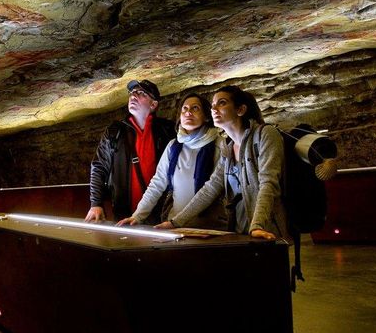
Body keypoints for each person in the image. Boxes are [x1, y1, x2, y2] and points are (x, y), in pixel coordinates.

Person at [160, 86, 290, 241]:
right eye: (213, 105)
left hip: (266, 230)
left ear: (240, 109)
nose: (213, 108)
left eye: (221, 103)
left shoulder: (265, 135)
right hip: (239, 230)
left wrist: (257, 226)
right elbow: (211, 188)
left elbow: (268, 184)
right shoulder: (228, 148)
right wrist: (175, 222)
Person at [117, 93, 223, 229]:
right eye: (184, 109)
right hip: (173, 225)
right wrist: (137, 216)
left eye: (195, 108)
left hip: (207, 227)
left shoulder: (218, 145)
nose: (188, 112)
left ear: (207, 116)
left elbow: (211, 189)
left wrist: (176, 222)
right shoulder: (173, 146)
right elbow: (158, 183)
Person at [85, 79, 177, 223]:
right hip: (124, 212)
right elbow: (99, 167)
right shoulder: (115, 132)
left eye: (141, 93)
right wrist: (96, 203)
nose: (134, 96)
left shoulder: (167, 131)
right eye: (132, 92)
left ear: (153, 104)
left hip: (161, 212)